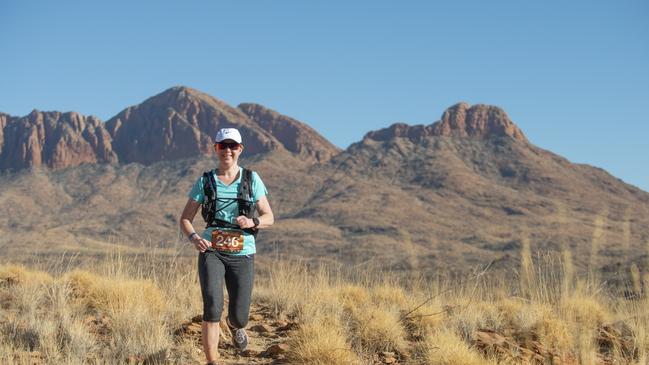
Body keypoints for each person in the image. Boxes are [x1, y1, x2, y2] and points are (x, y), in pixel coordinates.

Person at [179, 127, 274, 365]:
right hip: (212, 250)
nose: (228, 151)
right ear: (216, 149)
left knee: (240, 314)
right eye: (223, 146)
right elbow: (185, 219)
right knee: (212, 305)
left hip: (242, 252)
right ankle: (212, 361)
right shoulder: (205, 181)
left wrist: (253, 221)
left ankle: (235, 326)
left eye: (233, 146)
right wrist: (194, 238)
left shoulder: (252, 179)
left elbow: (268, 217)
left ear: (240, 149)